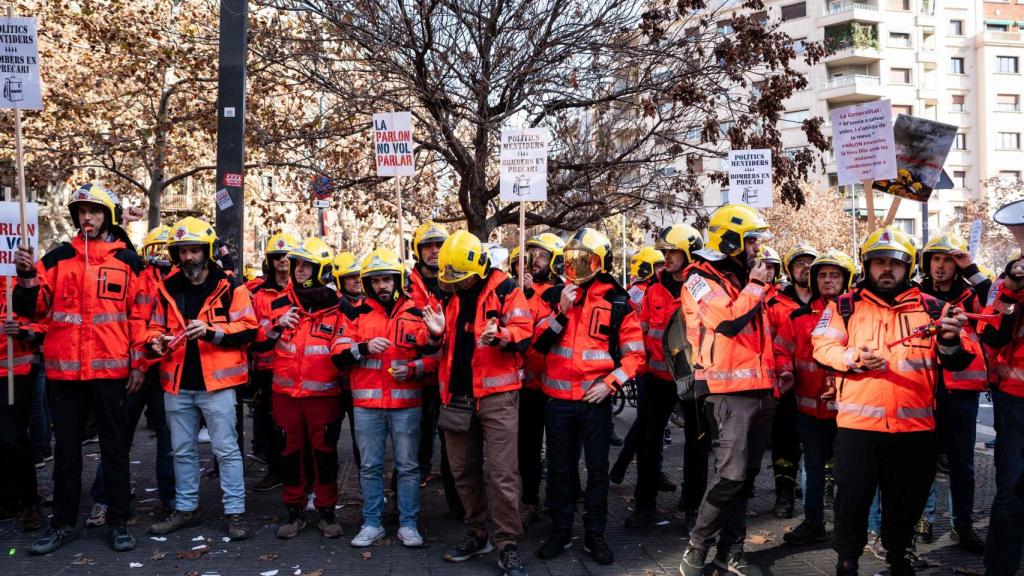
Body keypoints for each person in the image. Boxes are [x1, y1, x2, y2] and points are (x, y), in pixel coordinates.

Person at [811, 227, 976, 576]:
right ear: (867, 266)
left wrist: (949, 338)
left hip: (915, 429)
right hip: (858, 429)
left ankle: (899, 556)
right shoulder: (843, 306)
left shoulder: (934, 309)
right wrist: (853, 356)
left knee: (907, 501)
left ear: (908, 266)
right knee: (851, 501)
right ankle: (847, 561)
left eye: (895, 264)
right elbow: (822, 347)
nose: (887, 269)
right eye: (879, 262)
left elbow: (962, 359)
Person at [14, 183, 146, 554]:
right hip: (65, 375)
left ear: (108, 216)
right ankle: (62, 524)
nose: (88, 217)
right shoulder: (56, 258)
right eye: (82, 211)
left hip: (111, 373)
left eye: (95, 211)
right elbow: (32, 309)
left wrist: (140, 362)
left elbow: (140, 316)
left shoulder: (129, 262)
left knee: (115, 449)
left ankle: (119, 522)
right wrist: (25, 275)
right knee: (67, 453)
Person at [530, 227, 643, 566]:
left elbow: (635, 356)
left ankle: (595, 534)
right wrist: (560, 312)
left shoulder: (618, 302)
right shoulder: (553, 297)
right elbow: (536, 345)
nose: (575, 268)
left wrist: (610, 383)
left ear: (600, 262)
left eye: (583, 261)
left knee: (596, 470)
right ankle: (561, 531)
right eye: (570, 260)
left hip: (596, 402)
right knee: (560, 469)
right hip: (557, 401)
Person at [422, 230, 532, 576]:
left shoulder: (506, 290)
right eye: (451, 278)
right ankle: (477, 532)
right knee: (462, 473)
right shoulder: (446, 294)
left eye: (461, 277)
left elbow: (524, 333)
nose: (456, 284)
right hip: (456, 397)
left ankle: (507, 543)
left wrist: (500, 336)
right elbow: (428, 344)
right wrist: (436, 333)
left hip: (497, 397)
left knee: (502, 475)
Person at [678, 203, 776, 576]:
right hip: (727, 390)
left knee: (745, 480)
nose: (756, 250)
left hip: (760, 389)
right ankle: (697, 545)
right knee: (730, 476)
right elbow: (729, 321)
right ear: (731, 239)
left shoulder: (740, 278)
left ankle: (729, 551)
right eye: (751, 241)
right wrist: (756, 285)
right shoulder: (698, 278)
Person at [145, 217, 257, 541]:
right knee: (181, 450)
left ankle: (235, 514)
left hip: (217, 386)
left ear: (207, 251)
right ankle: (186, 509)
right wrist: (155, 339)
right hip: (177, 384)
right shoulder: (166, 287)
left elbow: (249, 329)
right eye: (183, 251)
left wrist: (212, 333)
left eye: (194, 250)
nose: (189, 257)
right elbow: (152, 326)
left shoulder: (231, 287)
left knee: (226, 450)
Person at [333, 247, 436, 547]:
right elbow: (337, 354)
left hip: (406, 405)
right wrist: (362, 348)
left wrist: (415, 367)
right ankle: (372, 522)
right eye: (376, 281)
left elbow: (434, 356)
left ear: (397, 280)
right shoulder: (354, 313)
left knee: (408, 467)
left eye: (387, 279)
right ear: (368, 284)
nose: (382, 286)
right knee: (369, 467)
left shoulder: (417, 312)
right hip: (367, 407)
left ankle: (408, 524)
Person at [88, 225, 177, 527]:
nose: (162, 257)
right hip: (138, 369)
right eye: (157, 250)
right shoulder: (137, 277)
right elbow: (132, 325)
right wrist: (138, 364)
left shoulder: (181, 283)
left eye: (168, 250)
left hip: (166, 370)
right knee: (118, 437)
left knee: (169, 441)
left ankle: (172, 499)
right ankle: (105, 498)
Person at [258, 238, 345, 540]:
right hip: (285, 397)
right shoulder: (280, 303)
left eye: (307, 265)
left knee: (324, 454)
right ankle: (294, 511)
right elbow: (258, 341)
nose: (300, 270)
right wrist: (276, 324)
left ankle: (326, 511)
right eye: (298, 264)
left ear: (321, 269)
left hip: (324, 397)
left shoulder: (339, 307)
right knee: (290, 454)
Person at [914, 233, 990, 552]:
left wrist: (971, 269)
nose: (941, 266)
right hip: (924, 391)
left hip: (961, 394)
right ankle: (925, 519)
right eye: (936, 259)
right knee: (923, 461)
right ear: (926, 263)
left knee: (963, 465)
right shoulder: (915, 296)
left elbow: (996, 303)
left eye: (947, 259)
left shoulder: (971, 297)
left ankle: (963, 525)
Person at [622, 223, 701, 528]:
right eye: (665, 252)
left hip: (692, 379)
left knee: (697, 444)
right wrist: (638, 368)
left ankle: (691, 505)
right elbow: (641, 332)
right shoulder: (653, 288)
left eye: (673, 252)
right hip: (655, 378)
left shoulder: (700, 287)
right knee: (648, 441)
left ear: (688, 253)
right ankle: (644, 506)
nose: (666, 257)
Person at [775, 249, 856, 545]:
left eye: (834, 275)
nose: (828, 280)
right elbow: (782, 350)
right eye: (822, 275)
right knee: (812, 470)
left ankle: (850, 527)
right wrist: (784, 372)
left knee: (849, 473)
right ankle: (813, 523)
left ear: (846, 279)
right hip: (808, 410)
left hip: (850, 410)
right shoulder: (797, 317)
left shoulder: (859, 313)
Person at [510, 233, 564, 529]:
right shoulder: (519, 292)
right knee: (527, 450)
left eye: (541, 256)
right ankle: (530, 501)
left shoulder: (562, 292)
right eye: (530, 256)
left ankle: (560, 501)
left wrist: (534, 295)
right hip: (528, 387)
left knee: (560, 449)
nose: (533, 261)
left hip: (557, 386)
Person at [408, 222, 461, 515]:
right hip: (418, 380)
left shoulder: (457, 283)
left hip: (450, 377)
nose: (434, 251)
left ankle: (458, 505)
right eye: (428, 245)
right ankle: (409, 508)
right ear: (418, 250)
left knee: (454, 445)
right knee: (415, 447)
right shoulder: (406, 287)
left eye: (439, 245)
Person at [764, 241, 817, 518]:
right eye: (799, 264)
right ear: (790, 270)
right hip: (785, 386)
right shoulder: (775, 304)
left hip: (822, 388)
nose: (805, 268)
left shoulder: (831, 302)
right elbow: (770, 343)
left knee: (822, 444)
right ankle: (784, 494)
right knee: (784, 441)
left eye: (810, 263)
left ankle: (822, 497)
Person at [979, 252, 1024, 576]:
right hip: (1016, 402)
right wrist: (1012, 285)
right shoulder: (1008, 283)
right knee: (1012, 490)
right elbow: (992, 334)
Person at [250, 233, 300, 493]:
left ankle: (296, 471)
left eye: (287, 257)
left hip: (296, 367)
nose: (282, 261)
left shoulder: (302, 291)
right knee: (269, 423)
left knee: (294, 423)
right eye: (277, 257)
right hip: (267, 368)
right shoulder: (258, 294)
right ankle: (274, 470)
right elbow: (254, 331)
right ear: (269, 261)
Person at [0, 274, 45, 532]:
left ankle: (29, 501)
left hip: (13, 373)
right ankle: (8, 499)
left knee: (12, 438)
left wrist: (23, 331)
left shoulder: (19, 284)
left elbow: (43, 322)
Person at [332, 250, 363, 467]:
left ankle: (366, 482)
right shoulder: (331, 305)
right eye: (351, 276)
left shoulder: (369, 305)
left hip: (358, 383)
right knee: (328, 438)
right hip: (333, 383)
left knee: (361, 438)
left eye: (358, 275)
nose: (357, 280)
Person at [626, 245, 664, 312]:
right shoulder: (641, 290)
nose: (663, 268)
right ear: (647, 268)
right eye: (659, 265)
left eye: (664, 265)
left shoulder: (654, 287)